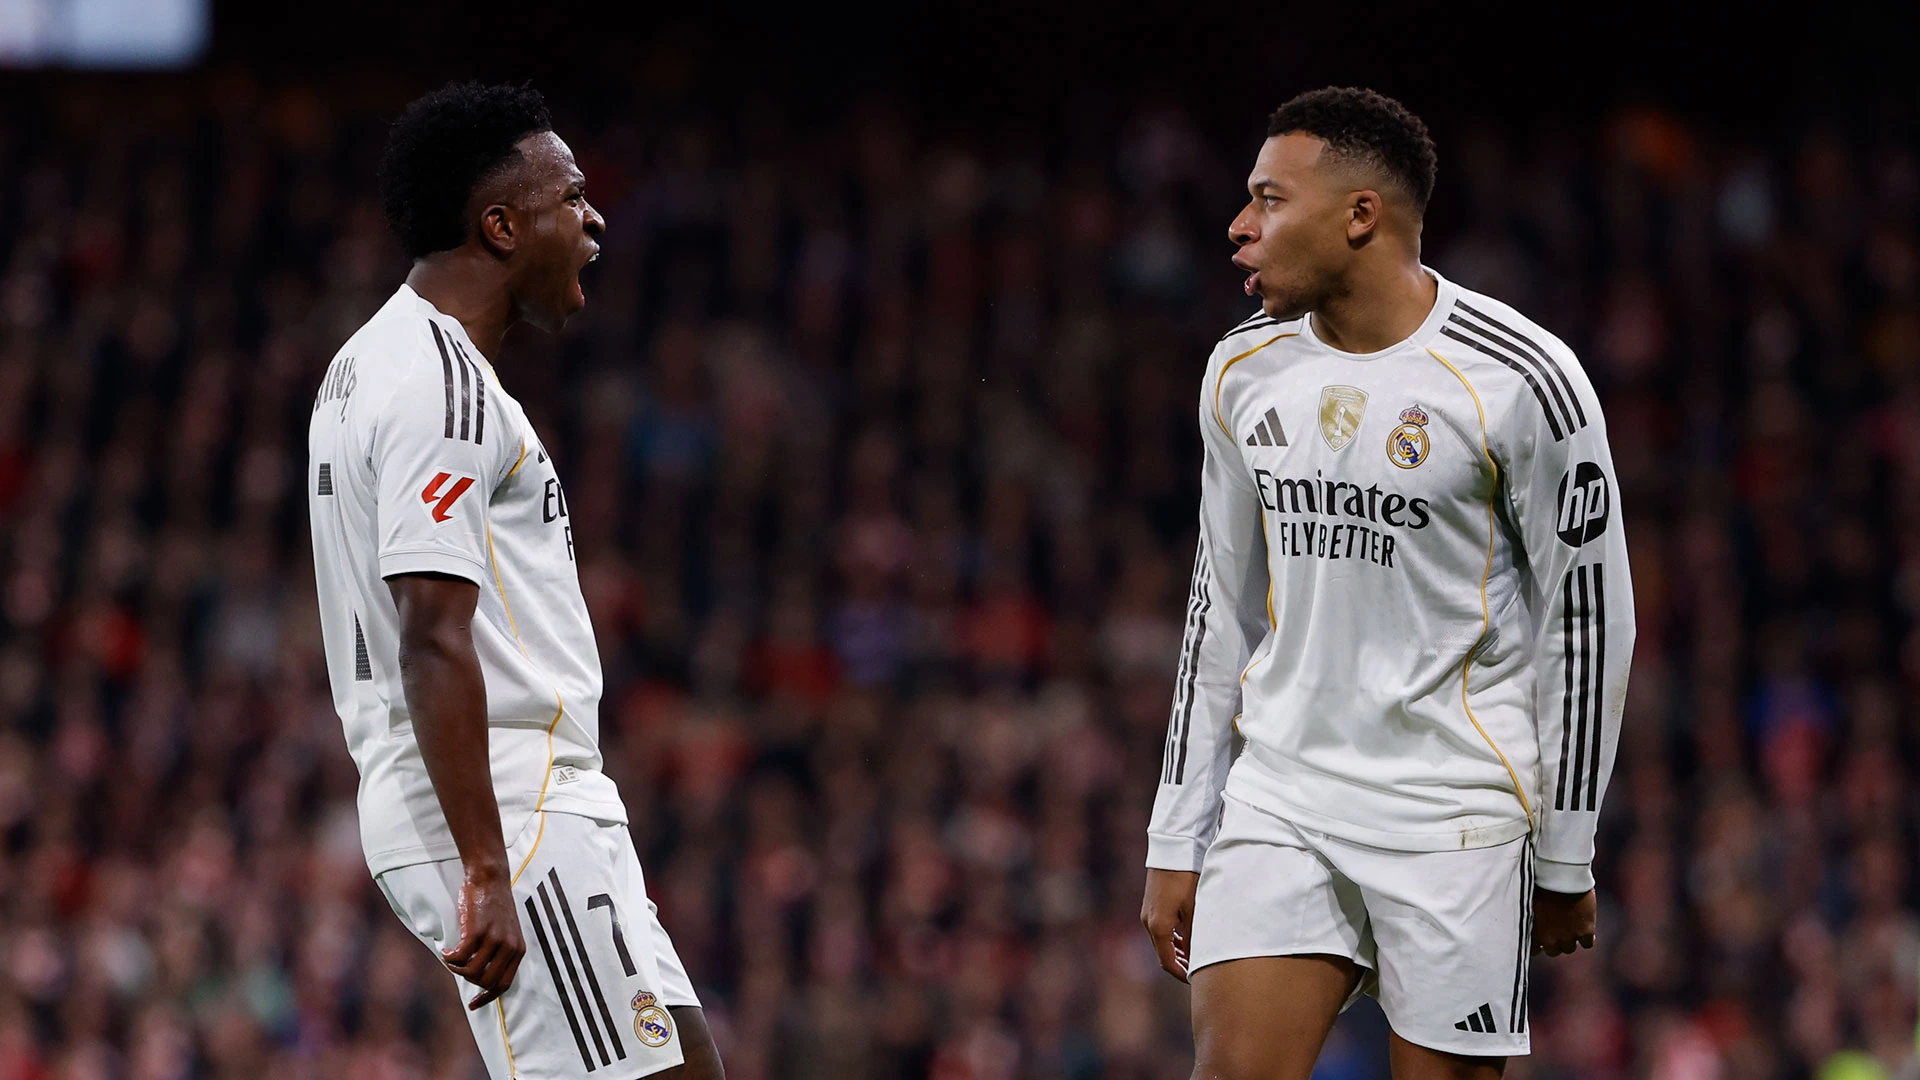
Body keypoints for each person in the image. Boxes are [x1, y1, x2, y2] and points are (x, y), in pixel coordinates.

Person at [1140, 87, 1634, 1080]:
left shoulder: (1523, 379)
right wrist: (1175, 832)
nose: (1239, 225)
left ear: (1360, 215)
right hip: (1284, 799)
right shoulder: (1242, 368)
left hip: (1455, 818)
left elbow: (1587, 622)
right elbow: (1217, 611)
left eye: (1270, 199)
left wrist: (1566, 849)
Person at [306, 81, 724, 1080]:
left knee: (686, 1066)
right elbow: (431, 633)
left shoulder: (368, 365)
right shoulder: (440, 385)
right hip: (506, 805)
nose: (594, 220)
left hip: (535, 800)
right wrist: (488, 868)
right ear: (499, 225)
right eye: (570, 198)